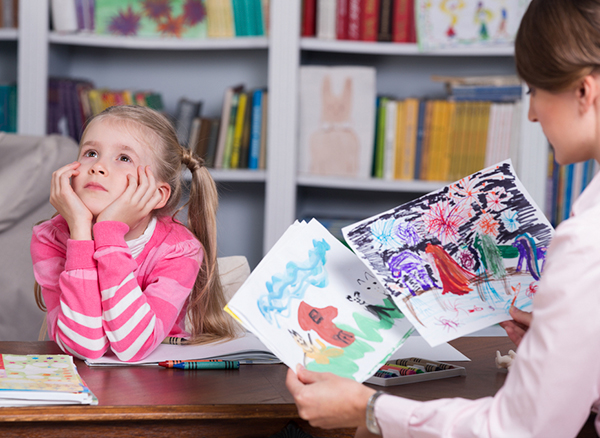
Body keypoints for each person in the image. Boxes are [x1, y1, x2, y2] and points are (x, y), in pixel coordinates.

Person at [286, 0, 600, 436]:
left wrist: (371, 409)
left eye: (533, 91)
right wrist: (565, 352)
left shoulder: (587, 242)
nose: (531, 113)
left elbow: (517, 431)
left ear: (585, 92)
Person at [31, 105, 237, 362]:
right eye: (91, 153)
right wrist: (81, 231)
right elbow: (86, 346)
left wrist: (108, 231)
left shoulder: (179, 250)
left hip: (157, 387)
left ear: (156, 194)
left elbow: (133, 347)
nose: (98, 167)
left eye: (124, 158)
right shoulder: (50, 238)